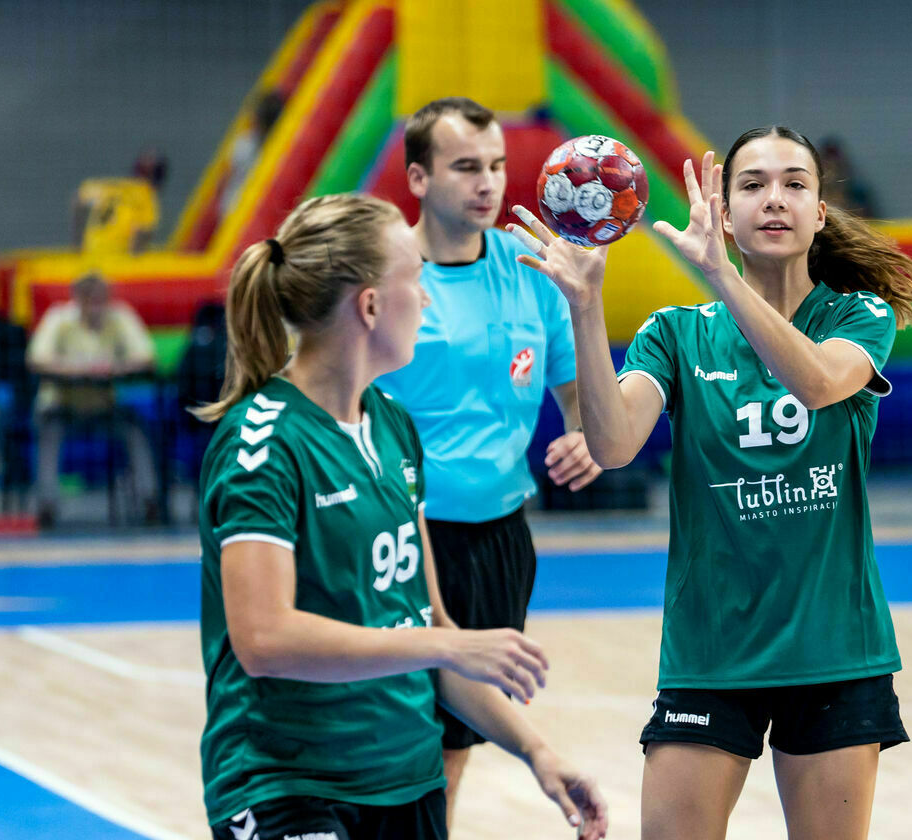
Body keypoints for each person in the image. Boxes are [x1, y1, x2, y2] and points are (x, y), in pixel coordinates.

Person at [508, 126, 912, 840]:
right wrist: (585, 306)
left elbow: (818, 383)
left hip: (834, 649)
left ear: (820, 213)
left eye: (795, 184)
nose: (775, 199)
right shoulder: (675, 334)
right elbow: (612, 446)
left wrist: (721, 276)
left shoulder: (859, 315)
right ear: (725, 215)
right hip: (709, 653)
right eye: (754, 185)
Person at [193, 193, 607, 840]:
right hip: (289, 783)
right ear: (369, 306)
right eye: (416, 279)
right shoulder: (264, 442)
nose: (429, 300)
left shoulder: (393, 427)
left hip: (407, 779)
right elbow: (263, 640)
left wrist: (537, 752)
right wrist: (447, 644)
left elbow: (429, 628)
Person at [373, 96, 602, 825]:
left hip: (500, 536)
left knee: (455, 742)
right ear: (418, 178)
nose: (488, 183)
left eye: (497, 166)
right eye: (466, 166)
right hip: (402, 538)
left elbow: (576, 390)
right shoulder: (387, 277)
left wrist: (584, 432)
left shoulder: (528, 267)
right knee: (397, 740)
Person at [26, 272, 158, 527]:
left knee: (136, 429)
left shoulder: (120, 316)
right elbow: (36, 360)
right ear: (78, 298)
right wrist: (77, 369)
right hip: (62, 405)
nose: (97, 305)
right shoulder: (58, 318)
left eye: (101, 298)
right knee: (48, 430)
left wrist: (115, 368)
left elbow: (147, 358)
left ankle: (149, 501)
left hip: (104, 406)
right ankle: (47, 506)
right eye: (90, 299)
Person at [73, 147, 168, 254]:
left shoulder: (109, 186)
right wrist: (133, 257)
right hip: (118, 256)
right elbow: (142, 232)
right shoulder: (147, 196)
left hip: (91, 252)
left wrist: (78, 246)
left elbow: (78, 200)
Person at [221, 89, 284, 214]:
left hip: (235, 205)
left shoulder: (244, 143)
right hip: (242, 206)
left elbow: (227, 176)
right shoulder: (248, 144)